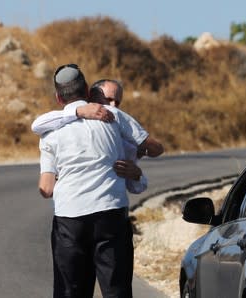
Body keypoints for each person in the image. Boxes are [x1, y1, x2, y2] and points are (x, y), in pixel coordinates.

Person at [38, 64, 163, 297]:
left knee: (70, 290)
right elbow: (155, 148)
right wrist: (139, 153)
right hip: (110, 214)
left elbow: (46, 188)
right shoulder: (114, 117)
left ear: (58, 97)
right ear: (87, 90)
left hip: (70, 218)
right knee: (116, 290)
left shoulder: (50, 131)